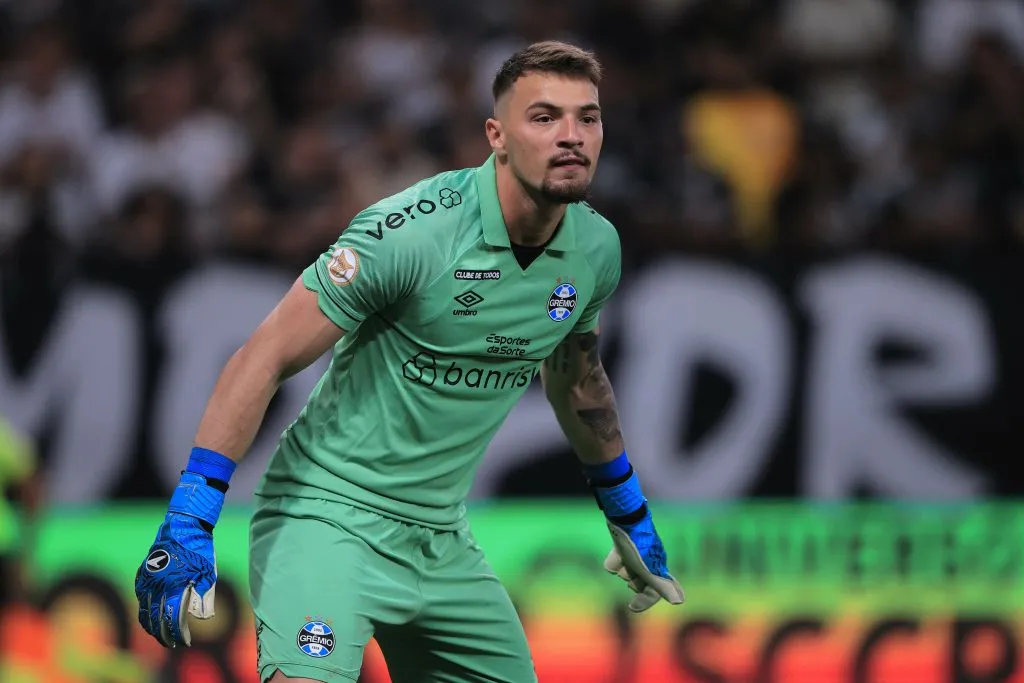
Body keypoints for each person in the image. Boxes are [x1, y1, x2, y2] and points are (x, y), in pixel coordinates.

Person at [134, 40, 684, 683]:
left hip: (442, 539)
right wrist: (192, 513)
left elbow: (576, 376)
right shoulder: (412, 233)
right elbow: (265, 356)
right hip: (327, 519)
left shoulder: (595, 249)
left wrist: (627, 511)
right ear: (497, 136)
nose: (571, 136)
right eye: (544, 117)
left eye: (586, 117)